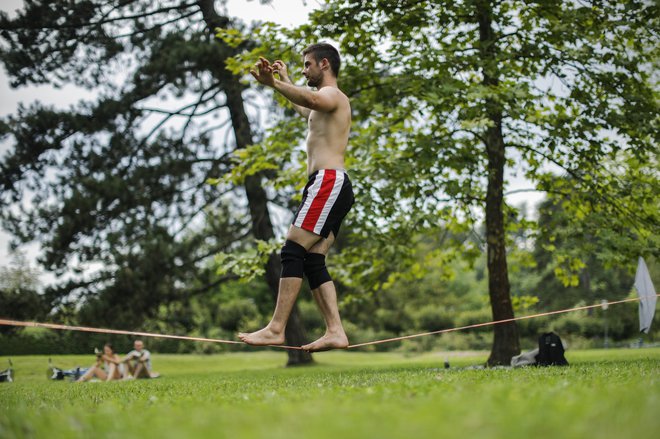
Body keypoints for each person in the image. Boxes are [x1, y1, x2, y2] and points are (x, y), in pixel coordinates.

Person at [239, 43, 354, 352]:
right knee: (313, 259)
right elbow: (306, 107)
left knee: (292, 250)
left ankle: (276, 328)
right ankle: (335, 332)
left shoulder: (332, 96)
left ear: (325, 64)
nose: (304, 70)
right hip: (331, 185)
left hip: (328, 182)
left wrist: (274, 83)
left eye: (307, 65)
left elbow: (314, 99)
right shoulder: (324, 103)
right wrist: (284, 82)